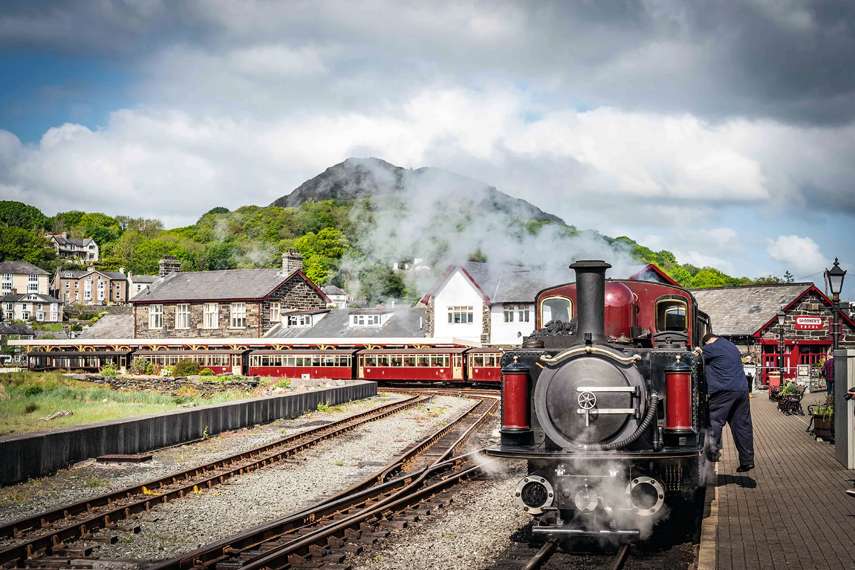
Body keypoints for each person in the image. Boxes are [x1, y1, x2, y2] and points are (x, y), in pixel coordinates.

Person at [695, 333, 755, 473]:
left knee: (714, 422)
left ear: (708, 341)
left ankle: (711, 457)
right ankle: (747, 461)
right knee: (742, 426)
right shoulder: (732, 346)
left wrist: (698, 350)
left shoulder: (711, 347)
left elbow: (693, 358)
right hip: (741, 390)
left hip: (723, 391)